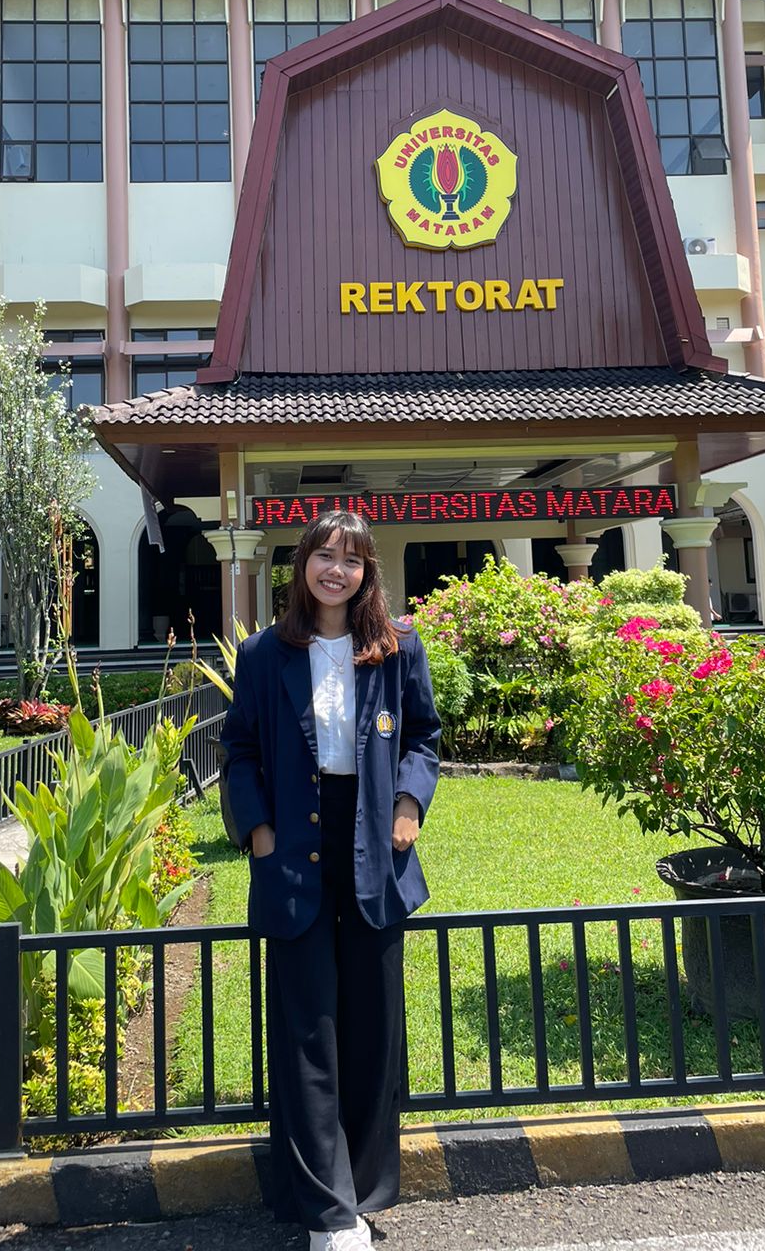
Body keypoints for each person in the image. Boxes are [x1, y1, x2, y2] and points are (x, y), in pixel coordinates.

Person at [220, 510, 441, 1251]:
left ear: (367, 571)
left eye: (351, 559)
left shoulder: (398, 647)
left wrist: (409, 804)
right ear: (303, 566)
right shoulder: (264, 654)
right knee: (306, 1033)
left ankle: (364, 1189)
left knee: (372, 1032)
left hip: (376, 843)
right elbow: (240, 749)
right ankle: (328, 1213)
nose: (336, 571)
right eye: (324, 556)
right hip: (293, 848)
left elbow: (423, 737)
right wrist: (258, 832)